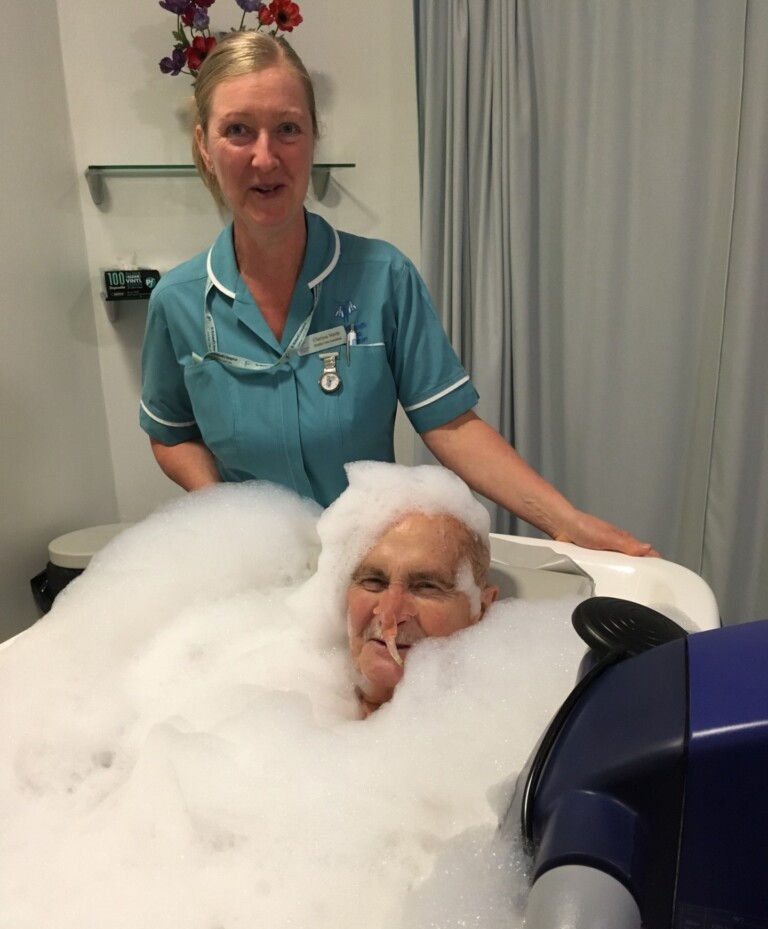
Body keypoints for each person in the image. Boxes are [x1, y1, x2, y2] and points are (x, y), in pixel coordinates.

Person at [140, 32, 656, 556]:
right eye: (238, 131)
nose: (266, 157)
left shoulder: (383, 277)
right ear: (204, 145)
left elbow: (451, 424)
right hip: (248, 562)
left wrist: (565, 521)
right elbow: (171, 432)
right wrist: (225, 509)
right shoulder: (179, 301)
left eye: (288, 128)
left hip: (370, 566)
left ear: (315, 136)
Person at [346, 509, 499, 717]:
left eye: (426, 587)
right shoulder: (297, 690)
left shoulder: (493, 722)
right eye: (374, 582)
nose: (389, 614)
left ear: (481, 608)